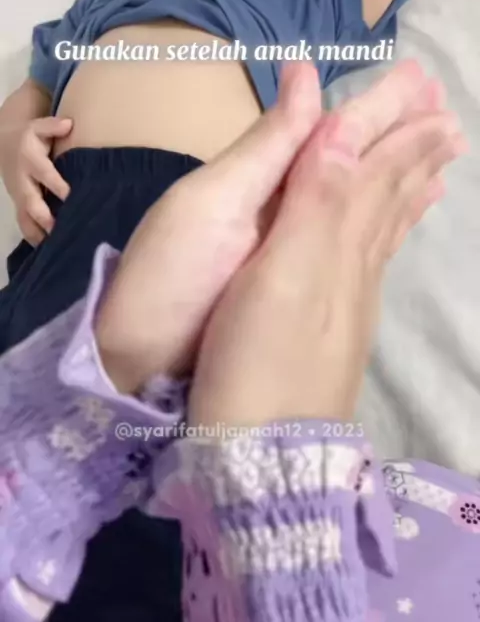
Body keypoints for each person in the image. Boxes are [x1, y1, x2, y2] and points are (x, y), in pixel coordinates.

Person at [0, 0, 441, 615]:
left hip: (200, 224)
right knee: (26, 410)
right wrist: (14, 137)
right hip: (62, 225)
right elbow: (35, 86)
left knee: (159, 476)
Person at [0, 61, 472, 621]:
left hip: (150, 198)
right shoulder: (85, 20)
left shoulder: (306, 8)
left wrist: (280, 517)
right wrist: (109, 381)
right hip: (95, 236)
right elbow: (35, 85)